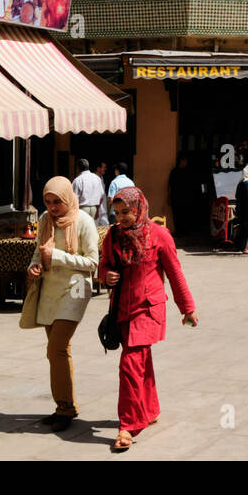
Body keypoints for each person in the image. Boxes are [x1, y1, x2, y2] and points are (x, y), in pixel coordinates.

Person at [99, 187, 197, 452]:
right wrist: (106, 275)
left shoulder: (159, 235)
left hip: (148, 309)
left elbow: (175, 274)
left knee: (130, 363)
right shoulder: (113, 235)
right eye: (117, 213)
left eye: (126, 212)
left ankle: (128, 425)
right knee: (141, 360)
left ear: (139, 207)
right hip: (122, 309)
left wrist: (187, 308)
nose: (121, 218)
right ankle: (150, 408)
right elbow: (104, 263)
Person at [26, 177, 100, 432]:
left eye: (57, 201)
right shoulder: (45, 220)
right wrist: (34, 265)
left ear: (68, 198)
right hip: (50, 290)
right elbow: (38, 251)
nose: (53, 207)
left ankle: (65, 409)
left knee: (55, 348)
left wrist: (55, 256)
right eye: (48, 202)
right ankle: (64, 406)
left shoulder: (84, 221)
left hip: (76, 289)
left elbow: (92, 263)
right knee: (57, 351)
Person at [71, 158, 105, 223]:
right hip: (94, 208)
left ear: (78, 168)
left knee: (82, 230)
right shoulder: (97, 178)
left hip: (82, 209)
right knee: (90, 229)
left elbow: (74, 198)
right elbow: (101, 196)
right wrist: (97, 210)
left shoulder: (78, 180)